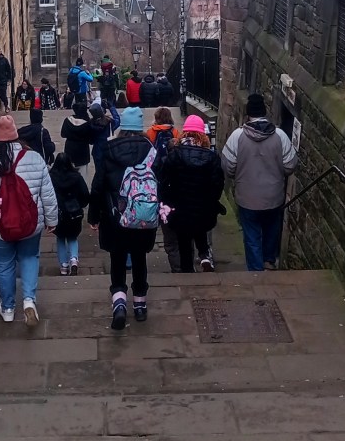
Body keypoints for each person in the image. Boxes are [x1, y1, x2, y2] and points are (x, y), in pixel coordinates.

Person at [0, 114, 58, 325]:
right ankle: (28, 300)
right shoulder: (35, 159)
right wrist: (52, 220)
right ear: (16, 136)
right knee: (29, 257)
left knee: (3, 265)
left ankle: (7, 308)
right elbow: (48, 194)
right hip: (30, 224)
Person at [88, 105, 159, 330]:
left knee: (117, 259)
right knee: (139, 259)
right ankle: (140, 305)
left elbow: (98, 186)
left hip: (115, 217)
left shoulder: (109, 150)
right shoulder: (150, 151)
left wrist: (94, 216)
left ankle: (119, 303)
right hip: (143, 216)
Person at [221, 93, 298, 272]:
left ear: (248, 114)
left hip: (247, 198)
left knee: (252, 236)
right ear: (265, 113)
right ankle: (269, 261)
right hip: (274, 197)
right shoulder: (280, 135)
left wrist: (240, 175)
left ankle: (256, 272)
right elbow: (290, 165)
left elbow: (228, 166)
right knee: (271, 230)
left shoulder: (237, 136)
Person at [159, 115, 225, 273]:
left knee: (184, 243)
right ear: (202, 135)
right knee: (200, 230)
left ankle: (188, 272)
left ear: (184, 133)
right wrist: (211, 201)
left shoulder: (175, 155)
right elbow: (218, 184)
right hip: (203, 207)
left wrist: (168, 201)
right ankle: (204, 256)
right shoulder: (211, 157)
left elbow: (163, 181)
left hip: (180, 208)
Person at [49, 151, 90, 275]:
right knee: (73, 237)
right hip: (74, 212)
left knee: (60, 237)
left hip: (58, 212)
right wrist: (80, 205)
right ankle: (73, 259)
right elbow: (85, 194)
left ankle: (63, 265)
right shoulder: (76, 177)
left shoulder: (51, 177)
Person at [60, 100, 94, 181]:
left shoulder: (67, 120)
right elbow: (91, 140)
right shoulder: (87, 123)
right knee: (82, 175)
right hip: (82, 150)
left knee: (69, 173)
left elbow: (63, 134)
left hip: (69, 148)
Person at [89, 101, 115, 168]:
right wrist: (111, 108)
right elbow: (117, 119)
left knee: (98, 169)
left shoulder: (91, 123)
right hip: (108, 147)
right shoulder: (109, 121)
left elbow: (91, 140)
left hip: (97, 149)